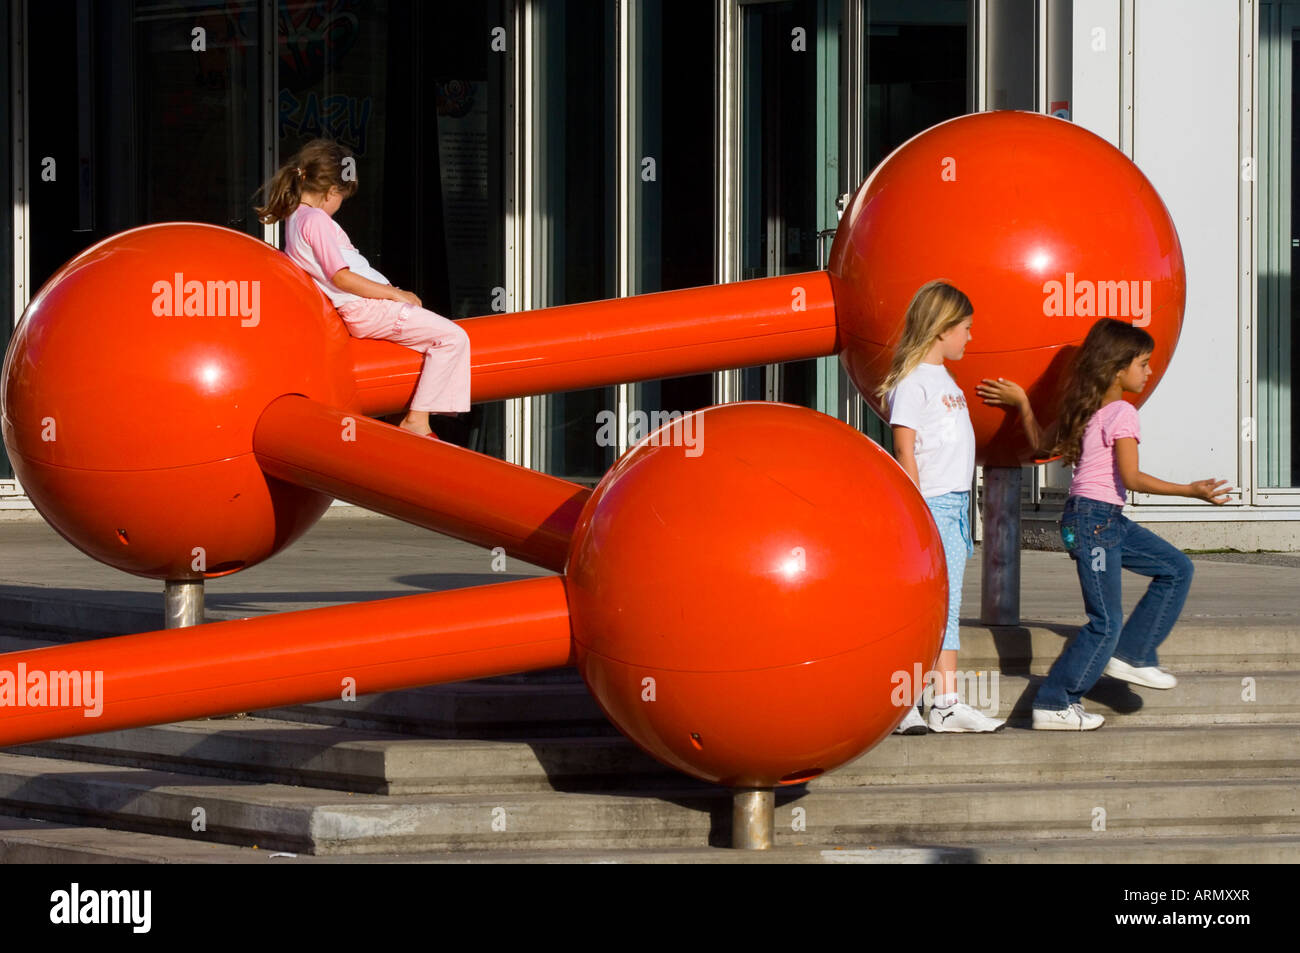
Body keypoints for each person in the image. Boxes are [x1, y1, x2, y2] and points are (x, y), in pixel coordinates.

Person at [976, 317, 1232, 730]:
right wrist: (1190, 490)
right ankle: (1055, 702)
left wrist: (1023, 404)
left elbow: (1040, 445)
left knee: (1176, 568)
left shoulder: (1084, 408)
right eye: (1142, 363)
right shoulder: (1122, 413)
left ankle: (1133, 655)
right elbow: (1132, 478)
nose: (1148, 371)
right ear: (1116, 369)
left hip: (1098, 519)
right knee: (1106, 621)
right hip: (1096, 521)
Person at [254, 138, 470, 439]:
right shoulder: (315, 220)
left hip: (363, 308)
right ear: (331, 191)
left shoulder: (295, 219)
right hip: (367, 307)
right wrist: (395, 294)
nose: (340, 205)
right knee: (452, 338)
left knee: (426, 345)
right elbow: (340, 277)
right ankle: (417, 421)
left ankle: (404, 413)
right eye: (342, 197)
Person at [881, 280, 1005, 734]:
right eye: (966, 327)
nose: (971, 336)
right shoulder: (914, 382)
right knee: (931, 608)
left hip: (953, 506)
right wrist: (917, 512)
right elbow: (905, 449)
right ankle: (927, 703)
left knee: (943, 606)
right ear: (942, 328)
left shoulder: (944, 380)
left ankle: (936, 702)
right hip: (931, 505)